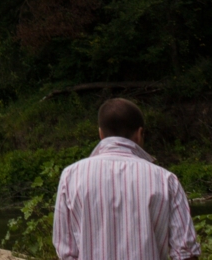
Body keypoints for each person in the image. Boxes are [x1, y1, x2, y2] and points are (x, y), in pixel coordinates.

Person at [53, 98, 200, 260]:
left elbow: (66, 252)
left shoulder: (71, 176)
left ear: (101, 133)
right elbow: (186, 253)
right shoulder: (166, 180)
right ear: (139, 134)